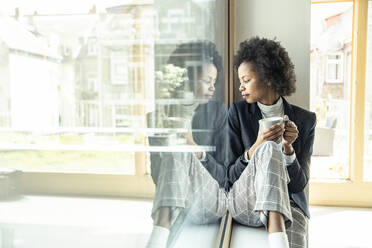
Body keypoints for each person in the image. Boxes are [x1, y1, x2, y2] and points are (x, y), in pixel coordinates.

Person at [226, 37, 316, 248]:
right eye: (240, 81)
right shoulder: (237, 113)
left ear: (267, 78)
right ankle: (277, 233)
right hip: (246, 201)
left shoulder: (305, 120)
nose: (241, 87)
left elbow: (298, 184)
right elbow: (229, 176)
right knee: (267, 148)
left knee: (295, 236)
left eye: (246, 80)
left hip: (289, 203)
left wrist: (287, 148)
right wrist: (257, 145)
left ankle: (278, 230)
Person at [146, 41, 228, 248]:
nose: (212, 87)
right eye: (207, 80)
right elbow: (158, 178)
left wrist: (193, 147)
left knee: (181, 146)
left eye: (214, 81)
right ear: (188, 79)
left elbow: (224, 176)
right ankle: (162, 234)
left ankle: (159, 232)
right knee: (177, 146)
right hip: (180, 199)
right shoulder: (158, 116)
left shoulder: (218, 112)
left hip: (213, 200)